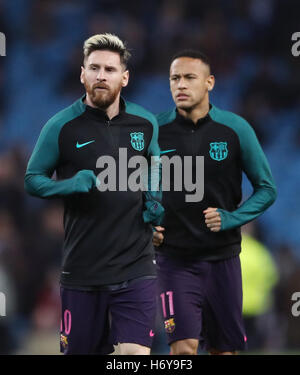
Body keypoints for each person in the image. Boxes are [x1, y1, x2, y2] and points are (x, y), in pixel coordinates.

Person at [24, 33, 164, 355]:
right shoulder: (61, 126)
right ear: (82, 74)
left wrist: (155, 197)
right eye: (95, 68)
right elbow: (33, 179)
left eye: (110, 69)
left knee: (133, 355)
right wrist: (67, 185)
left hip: (136, 265)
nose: (102, 75)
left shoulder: (145, 123)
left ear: (124, 77)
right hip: (83, 270)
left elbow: (155, 161)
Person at [153, 50, 277, 355]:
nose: (180, 85)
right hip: (174, 260)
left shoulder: (235, 129)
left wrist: (233, 218)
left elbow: (266, 188)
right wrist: (145, 223)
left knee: (225, 351)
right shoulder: (153, 131)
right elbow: (130, 188)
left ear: (209, 82)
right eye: (174, 78)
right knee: (183, 348)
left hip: (222, 260)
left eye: (189, 78)